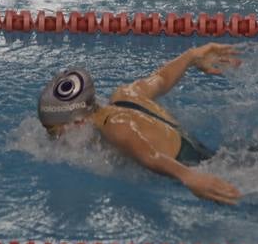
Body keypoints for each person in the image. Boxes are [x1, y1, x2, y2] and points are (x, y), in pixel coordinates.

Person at [38, 44, 244, 205]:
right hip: (226, 156)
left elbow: (151, 157)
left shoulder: (116, 126)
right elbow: (161, 79)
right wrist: (192, 56)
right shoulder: (126, 95)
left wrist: (190, 178)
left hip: (219, 173)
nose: (54, 138)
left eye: (55, 131)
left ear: (79, 121)